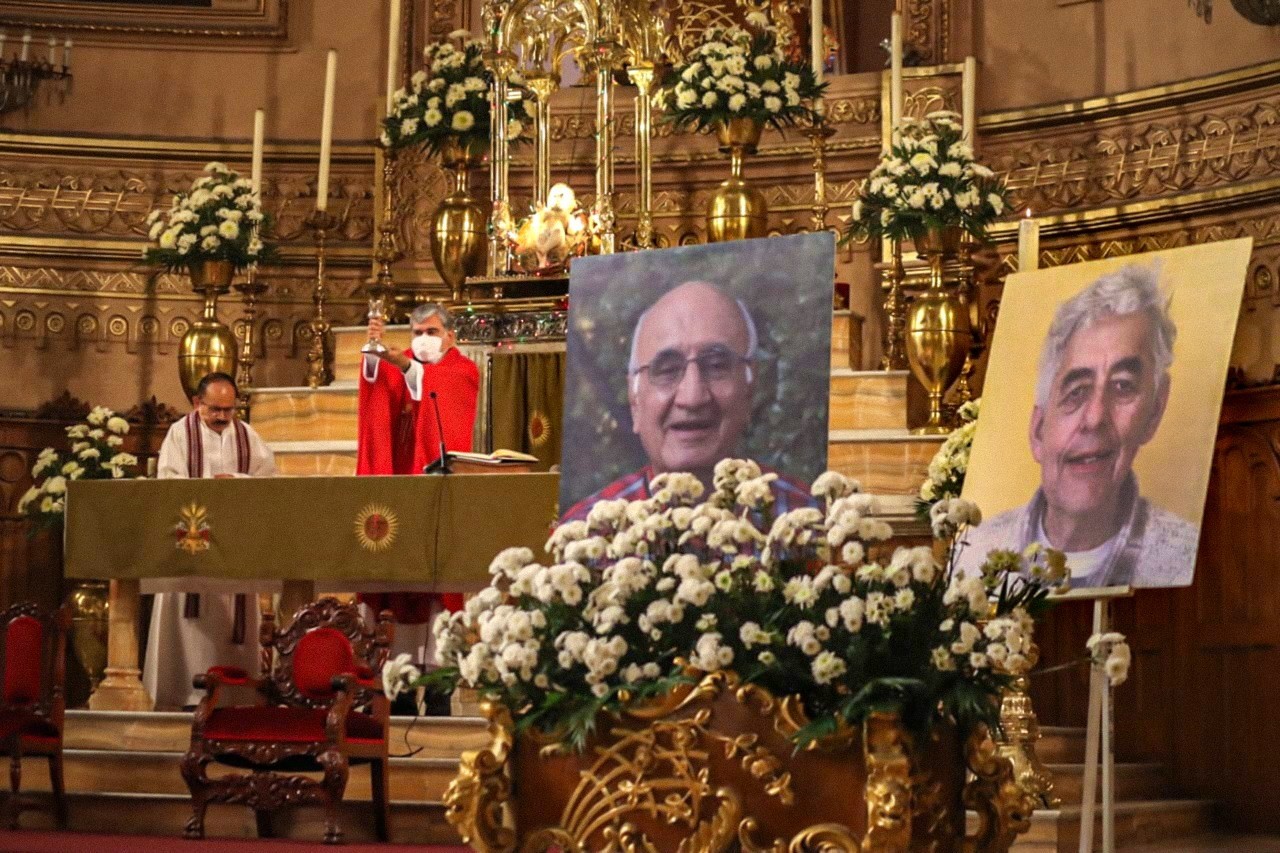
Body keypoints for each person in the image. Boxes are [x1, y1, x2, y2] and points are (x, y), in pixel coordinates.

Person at [959, 263, 1199, 588]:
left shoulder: (1180, 556)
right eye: (1076, 392)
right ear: (1038, 431)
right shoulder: (972, 557)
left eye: (1123, 386)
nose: (1095, 417)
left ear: (1154, 412)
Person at [561, 280, 812, 521]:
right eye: (668, 370)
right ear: (635, 400)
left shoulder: (810, 524)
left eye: (715, 365)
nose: (692, 398)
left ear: (749, 388)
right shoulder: (587, 534)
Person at [143, 372, 277, 709]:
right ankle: (184, 693)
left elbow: (268, 482)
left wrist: (236, 480)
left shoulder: (248, 437)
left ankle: (236, 697)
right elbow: (169, 482)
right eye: (214, 409)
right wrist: (207, 487)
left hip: (234, 547)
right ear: (197, 403)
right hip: (191, 543)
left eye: (228, 410)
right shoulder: (179, 434)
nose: (221, 417)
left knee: (233, 623)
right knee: (190, 623)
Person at [357, 303, 478, 662]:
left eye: (432, 332)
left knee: (433, 578)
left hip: (434, 487)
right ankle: (394, 674)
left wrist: (406, 367)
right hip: (398, 477)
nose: (423, 340)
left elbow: (441, 390)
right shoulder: (403, 360)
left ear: (450, 336)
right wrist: (374, 354)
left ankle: (437, 676)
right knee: (395, 573)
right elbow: (375, 388)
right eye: (417, 333)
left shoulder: (463, 368)